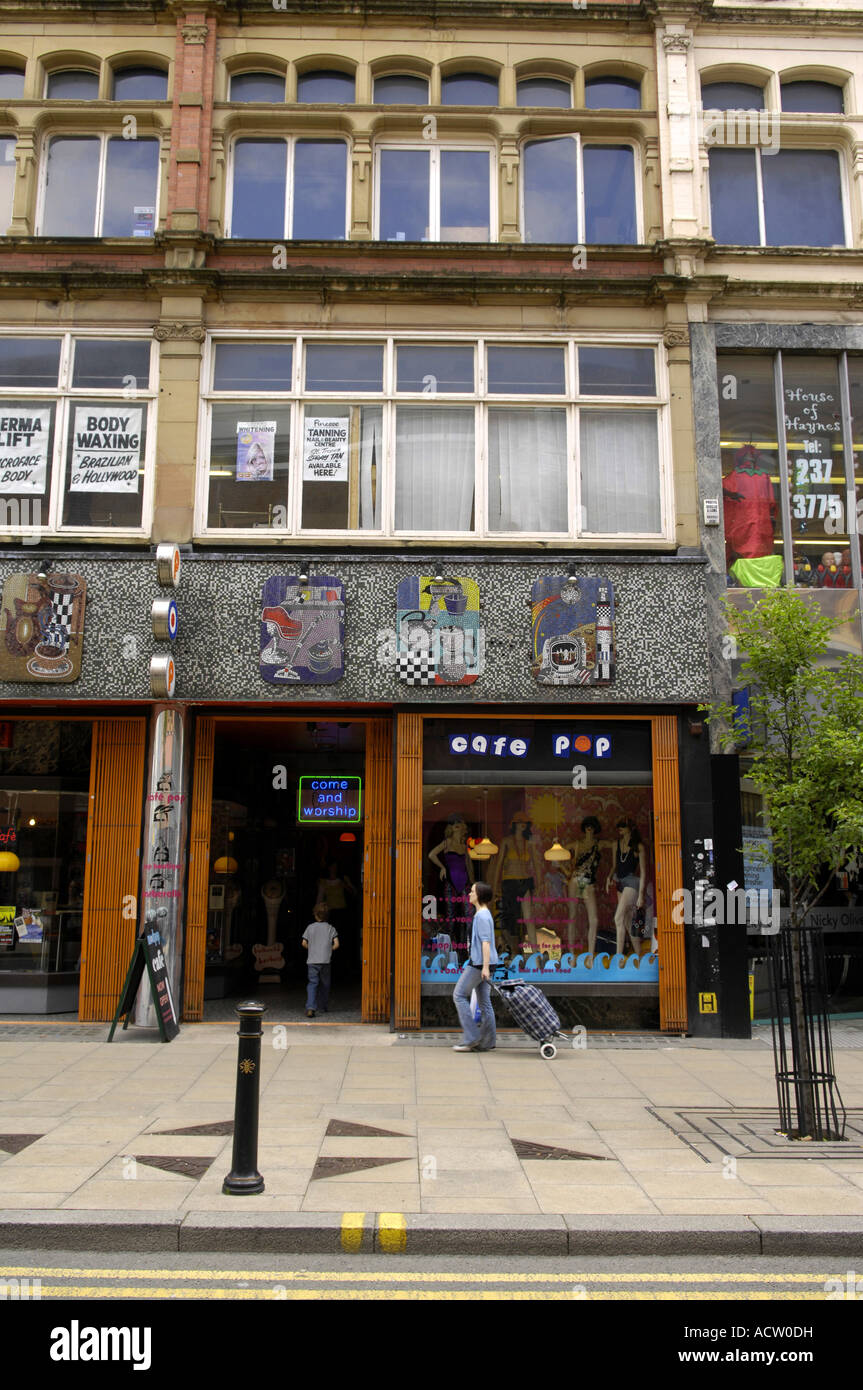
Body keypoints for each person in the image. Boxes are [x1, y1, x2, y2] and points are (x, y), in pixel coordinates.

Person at [452, 881, 498, 1052]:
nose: (469, 894)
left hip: (479, 965)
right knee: (485, 1002)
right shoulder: (484, 914)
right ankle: (488, 1041)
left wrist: (485, 967)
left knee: (458, 995)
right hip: (484, 964)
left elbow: (486, 943)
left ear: (479, 895)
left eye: (472, 891)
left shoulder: (482, 916)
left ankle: (471, 1037)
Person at [492, 812, 543, 950]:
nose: (523, 824)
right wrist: (495, 884)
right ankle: (513, 950)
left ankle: (535, 952)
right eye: (520, 821)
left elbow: (537, 864)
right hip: (509, 882)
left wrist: (539, 884)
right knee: (511, 918)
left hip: (525, 881)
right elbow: (499, 864)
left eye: (525, 822)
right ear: (514, 824)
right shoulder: (507, 841)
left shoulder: (529, 843)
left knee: (528, 918)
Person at [565, 816, 614, 959]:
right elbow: (557, 852)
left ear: (595, 828)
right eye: (587, 826)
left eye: (592, 826)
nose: (589, 828)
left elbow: (614, 845)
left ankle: (590, 955)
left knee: (593, 919)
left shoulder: (599, 844)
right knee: (572, 917)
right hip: (576, 880)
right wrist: (566, 871)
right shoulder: (576, 844)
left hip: (587, 882)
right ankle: (572, 954)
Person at [427, 813, 473, 945]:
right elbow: (431, 854)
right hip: (451, 882)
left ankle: (467, 946)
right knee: (451, 917)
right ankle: (451, 947)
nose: (457, 826)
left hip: (464, 882)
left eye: (459, 824)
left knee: (468, 916)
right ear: (451, 828)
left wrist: (472, 882)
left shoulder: (465, 846)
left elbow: (469, 866)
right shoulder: (447, 842)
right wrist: (442, 867)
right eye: (454, 825)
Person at [605, 818, 647, 956]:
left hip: (632, 883)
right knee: (627, 922)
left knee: (618, 918)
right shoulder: (615, 844)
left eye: (623, 826)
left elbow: (643, 872)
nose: (620, 828)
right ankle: (639, 955)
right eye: (619, 826)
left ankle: (618, 957)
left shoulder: (638, 847)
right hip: (619, 882)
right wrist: (608, 878)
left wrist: (641, 895)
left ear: (631, 828)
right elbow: (614, 866)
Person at [301, 901, 339, 1018]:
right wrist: (328, 950)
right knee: (325, 984)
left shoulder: (310, 928)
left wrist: (312, 949)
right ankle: (323, 1006)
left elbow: (303, 943)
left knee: (312, 983)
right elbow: (336, 944)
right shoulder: (330, 928)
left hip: (312, 961)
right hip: (325, 961)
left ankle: (311, 1007)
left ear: (315, 914)